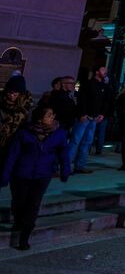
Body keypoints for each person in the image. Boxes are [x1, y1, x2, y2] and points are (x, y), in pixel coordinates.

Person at [1, 105, 70, 249]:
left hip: (42, 175)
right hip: (21, 174)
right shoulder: (24, 133)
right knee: (19, 202)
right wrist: (5, 175)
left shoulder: (59, 133)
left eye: (53, 114)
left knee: (33, 205)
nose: (52, 117)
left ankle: (24, 238)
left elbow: (63, 153)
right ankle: (18, 221)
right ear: (39, 118)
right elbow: (12, 155)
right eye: (49, 115)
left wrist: (65, 170)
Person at [71, 66, 111, 173]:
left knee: (87, 142)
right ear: (97, 72)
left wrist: (102, 114)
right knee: (75, 141)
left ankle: (80, 165)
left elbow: (105, 101)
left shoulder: (104, 86)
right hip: (84, 117)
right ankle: (67, 166)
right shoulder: (87, 83)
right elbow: (81, 98)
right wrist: (83, 113)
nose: (105, 72)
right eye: (103, 70)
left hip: (94, 118)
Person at [0, 74, 32, 186]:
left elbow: (28, 125)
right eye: (10, 92)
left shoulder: (26, 106)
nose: (12, 95)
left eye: (15, 92)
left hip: (15, 142)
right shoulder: (2, 102)